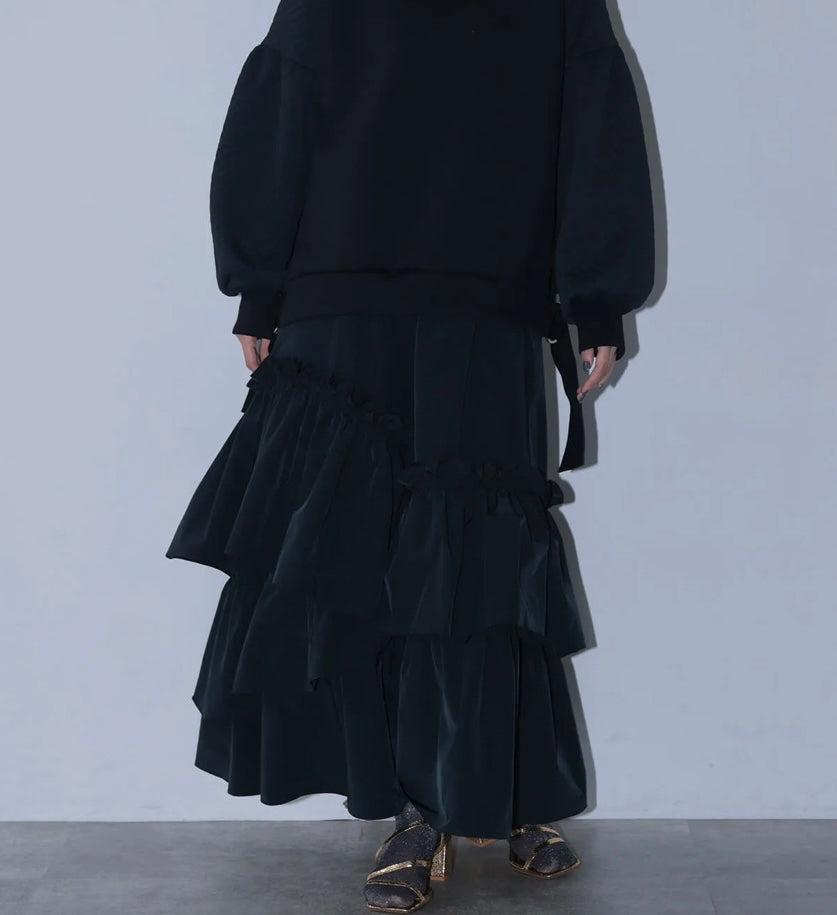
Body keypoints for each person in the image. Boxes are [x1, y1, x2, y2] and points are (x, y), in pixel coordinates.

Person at [165, 0, 655, 910]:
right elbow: (280, 102)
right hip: (341, 292)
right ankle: (413, 810)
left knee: (477, 556)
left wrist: (594, 296)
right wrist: (258, 284)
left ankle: (491, 787)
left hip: (489, 296)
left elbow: (592, 120)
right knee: (360, 552)